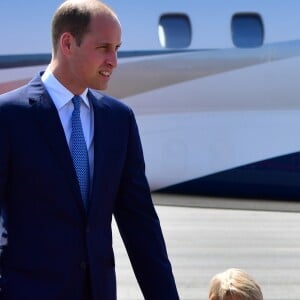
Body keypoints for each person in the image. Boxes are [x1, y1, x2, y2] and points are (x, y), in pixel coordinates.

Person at [0, 0, 180, 299]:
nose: (114, 60)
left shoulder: (119, 120)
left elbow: (140, 224)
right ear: (68, 43)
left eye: (117, 48)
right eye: (104, 48)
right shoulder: (8, 117)